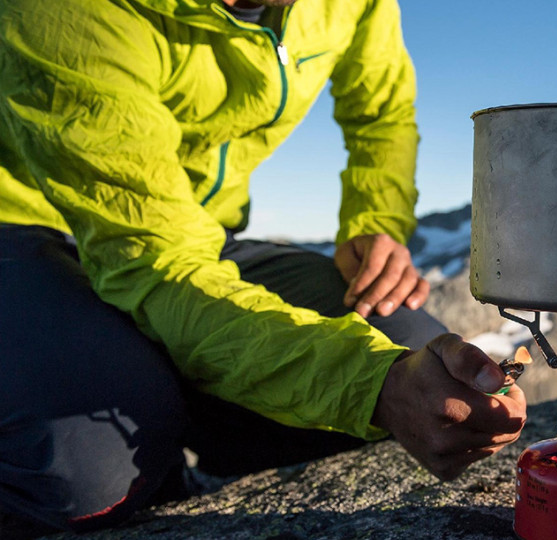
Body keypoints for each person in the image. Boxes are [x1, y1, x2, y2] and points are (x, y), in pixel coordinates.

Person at [0, 0, 526, 533]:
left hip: (200, 230)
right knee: (80, 472)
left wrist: (376, 220)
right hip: (31, 227)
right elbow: (159, 264)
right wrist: (366, 383)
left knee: (415, 354)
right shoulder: (67, 11)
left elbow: (381, 115)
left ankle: (175, 409)